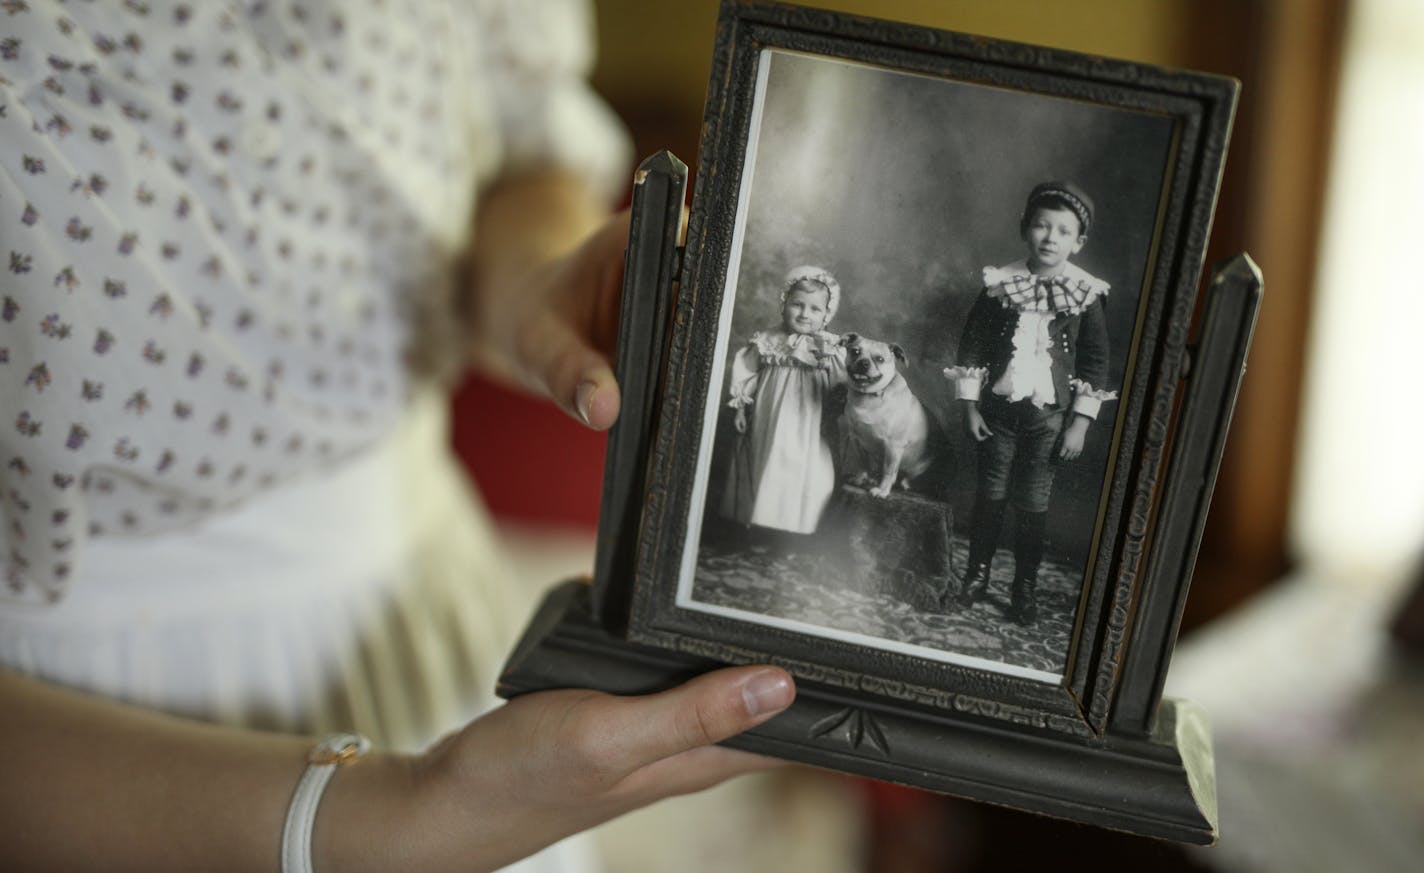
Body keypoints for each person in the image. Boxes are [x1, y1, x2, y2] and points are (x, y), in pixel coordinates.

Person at [0, 2, 796, 871]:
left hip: (430, 626)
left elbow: (511, 154)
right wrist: (404, 816)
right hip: (92, 750)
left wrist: (542, 282)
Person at [942, 181, 1117, 624]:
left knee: (1033, 500)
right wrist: (969, 406)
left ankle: (1024, 587)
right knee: (991, 492)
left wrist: (1079, 423)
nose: (1050, 237)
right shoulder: (1001, 283)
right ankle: (976, 576)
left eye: (1062, 231)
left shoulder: (1085, 293)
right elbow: (973, 347)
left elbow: (1095, 362)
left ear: (1078, 242)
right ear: (1025, 230)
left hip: (1050, 418)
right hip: (998, 413)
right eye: (1041, 226)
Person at [721, 265, 846, 536]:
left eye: (815, 309)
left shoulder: (830, 346)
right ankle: (758, 521)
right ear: (784, 304)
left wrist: (829, 361)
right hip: (770, 411)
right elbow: (747, 373)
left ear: (827, 314)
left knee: (808, 466)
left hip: (810, 417)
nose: (804, 314)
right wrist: (741, 407)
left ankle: (797, 525)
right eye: (797, 305)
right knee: (767, 459)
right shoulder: (767, 339)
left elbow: (841, 384)